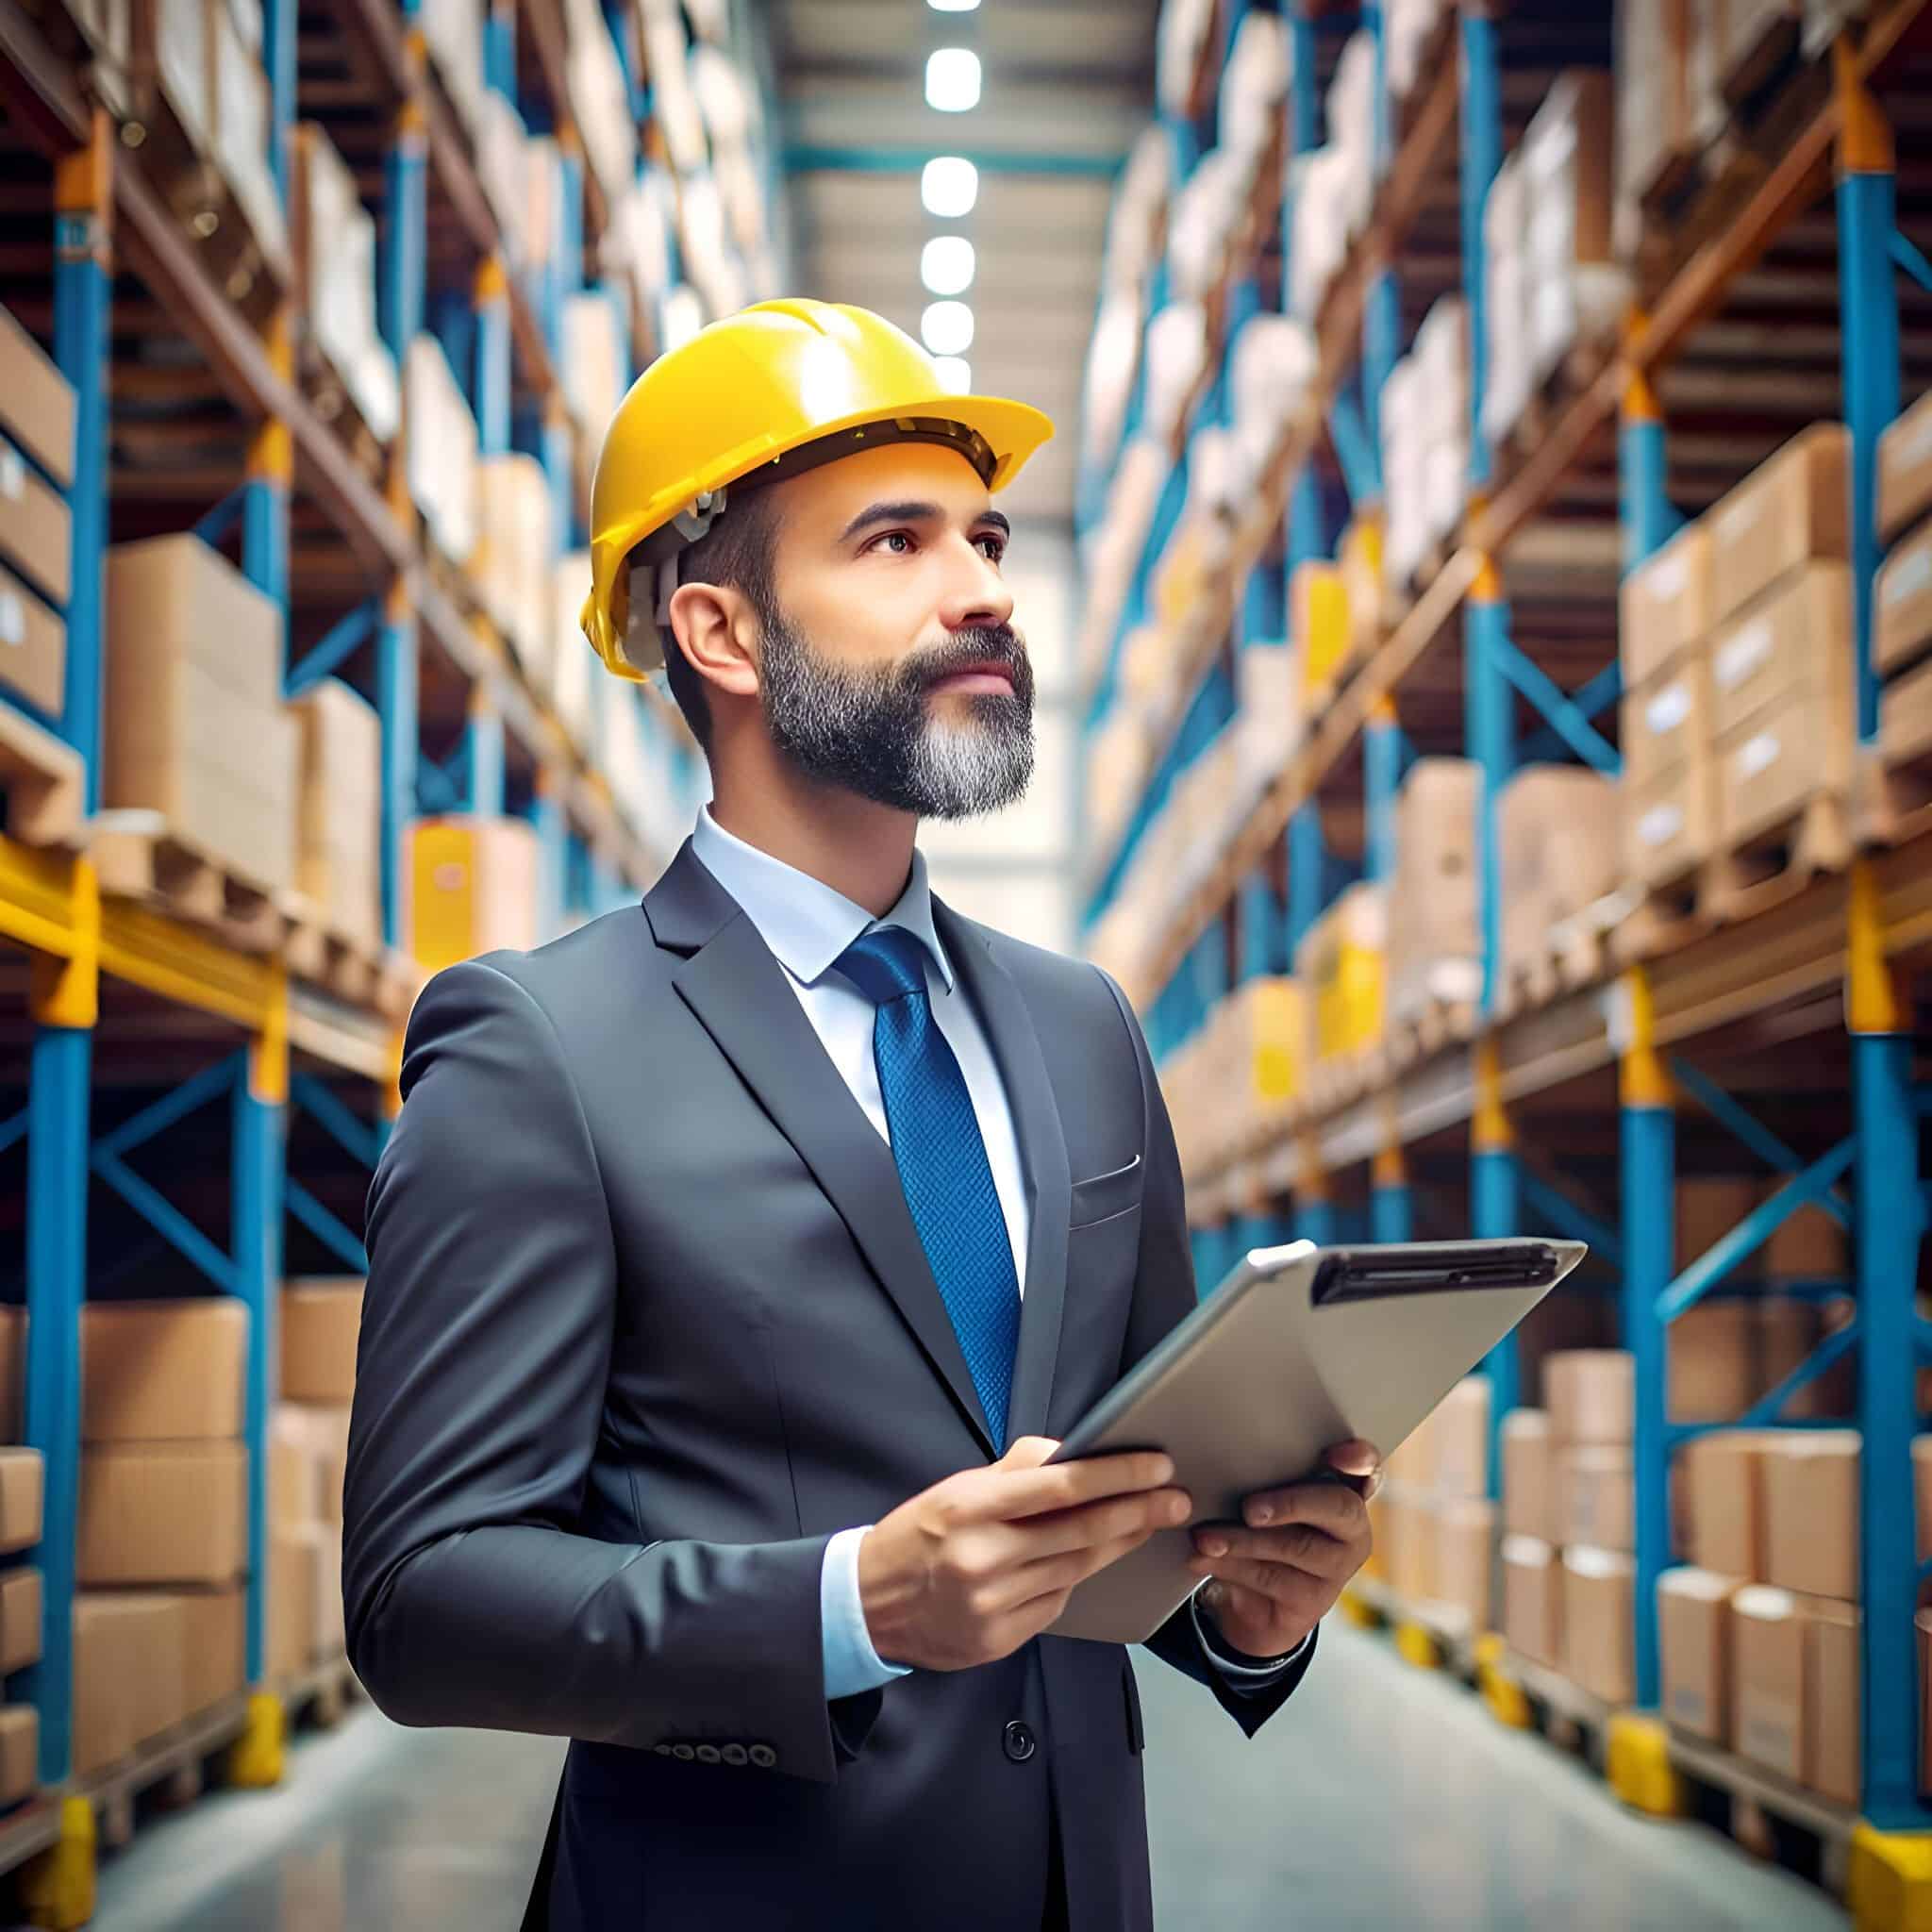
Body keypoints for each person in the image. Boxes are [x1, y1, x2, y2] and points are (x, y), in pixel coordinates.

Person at [341, 299, 1379, 1932]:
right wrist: (853, 1606)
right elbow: (427, 1602)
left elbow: (1137, 1489)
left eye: (983, 537)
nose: (983, 590)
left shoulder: (1081, 1024)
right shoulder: (542, 1046)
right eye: (893, 543)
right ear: (722, 633)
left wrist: (1255, 1605)